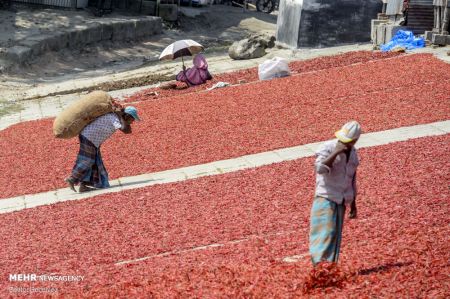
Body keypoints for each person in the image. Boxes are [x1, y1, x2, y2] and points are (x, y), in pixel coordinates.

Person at [309, 121, 361, 266]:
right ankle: (319, 267)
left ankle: (329, 267)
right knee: (324, 233)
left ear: (354, 141)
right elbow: (320, 169)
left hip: (342, 199)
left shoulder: (354, 154)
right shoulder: (328, 148)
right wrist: (336, 152)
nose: (343, 143)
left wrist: (353, 203)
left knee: (334, 236)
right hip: (326, 197)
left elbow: (352, 178)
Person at [65, 106, 140, 193]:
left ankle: (84, 185)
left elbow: (128, 130)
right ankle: (72, 179)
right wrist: (120, 116)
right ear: (127, 116)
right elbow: (126, 130)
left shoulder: (117, 117)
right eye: (132, 119)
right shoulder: (114, 117)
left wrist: (122, 118)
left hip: (93, 140)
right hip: (89, 137)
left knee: (95, 162)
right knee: (88, 160)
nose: (133, 122)